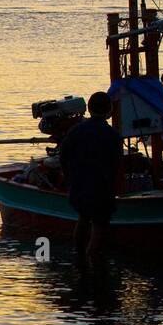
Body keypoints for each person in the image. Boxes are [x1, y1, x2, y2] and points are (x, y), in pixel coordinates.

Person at [57, 91, 121, 258]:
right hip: (101, 188)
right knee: (99, 225)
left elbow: (63, 157)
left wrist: (68, 178)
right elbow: (117, 165)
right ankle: (92, 260)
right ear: (110, 110)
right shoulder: (113, 135)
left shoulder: (75, 131)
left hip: (78, 186)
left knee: (83, 218)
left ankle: (79, 256)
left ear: (89, 109)